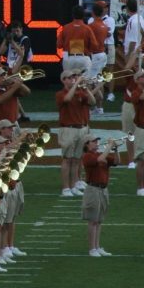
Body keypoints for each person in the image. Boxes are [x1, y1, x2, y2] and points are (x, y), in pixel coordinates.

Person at [57, 68, 97, 197]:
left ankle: (74, 185)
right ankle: (65, 188)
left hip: (81, 129)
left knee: (76, 159)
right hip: (68, 129)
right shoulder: (60, 94)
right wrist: (76, 85)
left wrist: (86, 89)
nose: (73, 79)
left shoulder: (80, 92)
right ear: (63, 80)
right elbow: (67, 99)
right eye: (69, 78)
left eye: (74, 77)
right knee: (67, 159)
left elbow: (93, 102)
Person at [81, 134, 118, 257]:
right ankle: (92, 248)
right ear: (87, 144)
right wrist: (109, 146)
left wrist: (115, 149)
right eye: (93, 141)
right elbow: (100, 160)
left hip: (103, 190)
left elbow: (117, 162)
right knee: (93, 221)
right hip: (93, 189)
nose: (97, 143)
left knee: (99, 220)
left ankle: (97, 246)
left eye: (97, 141)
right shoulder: (87, 156)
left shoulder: (100, 155)